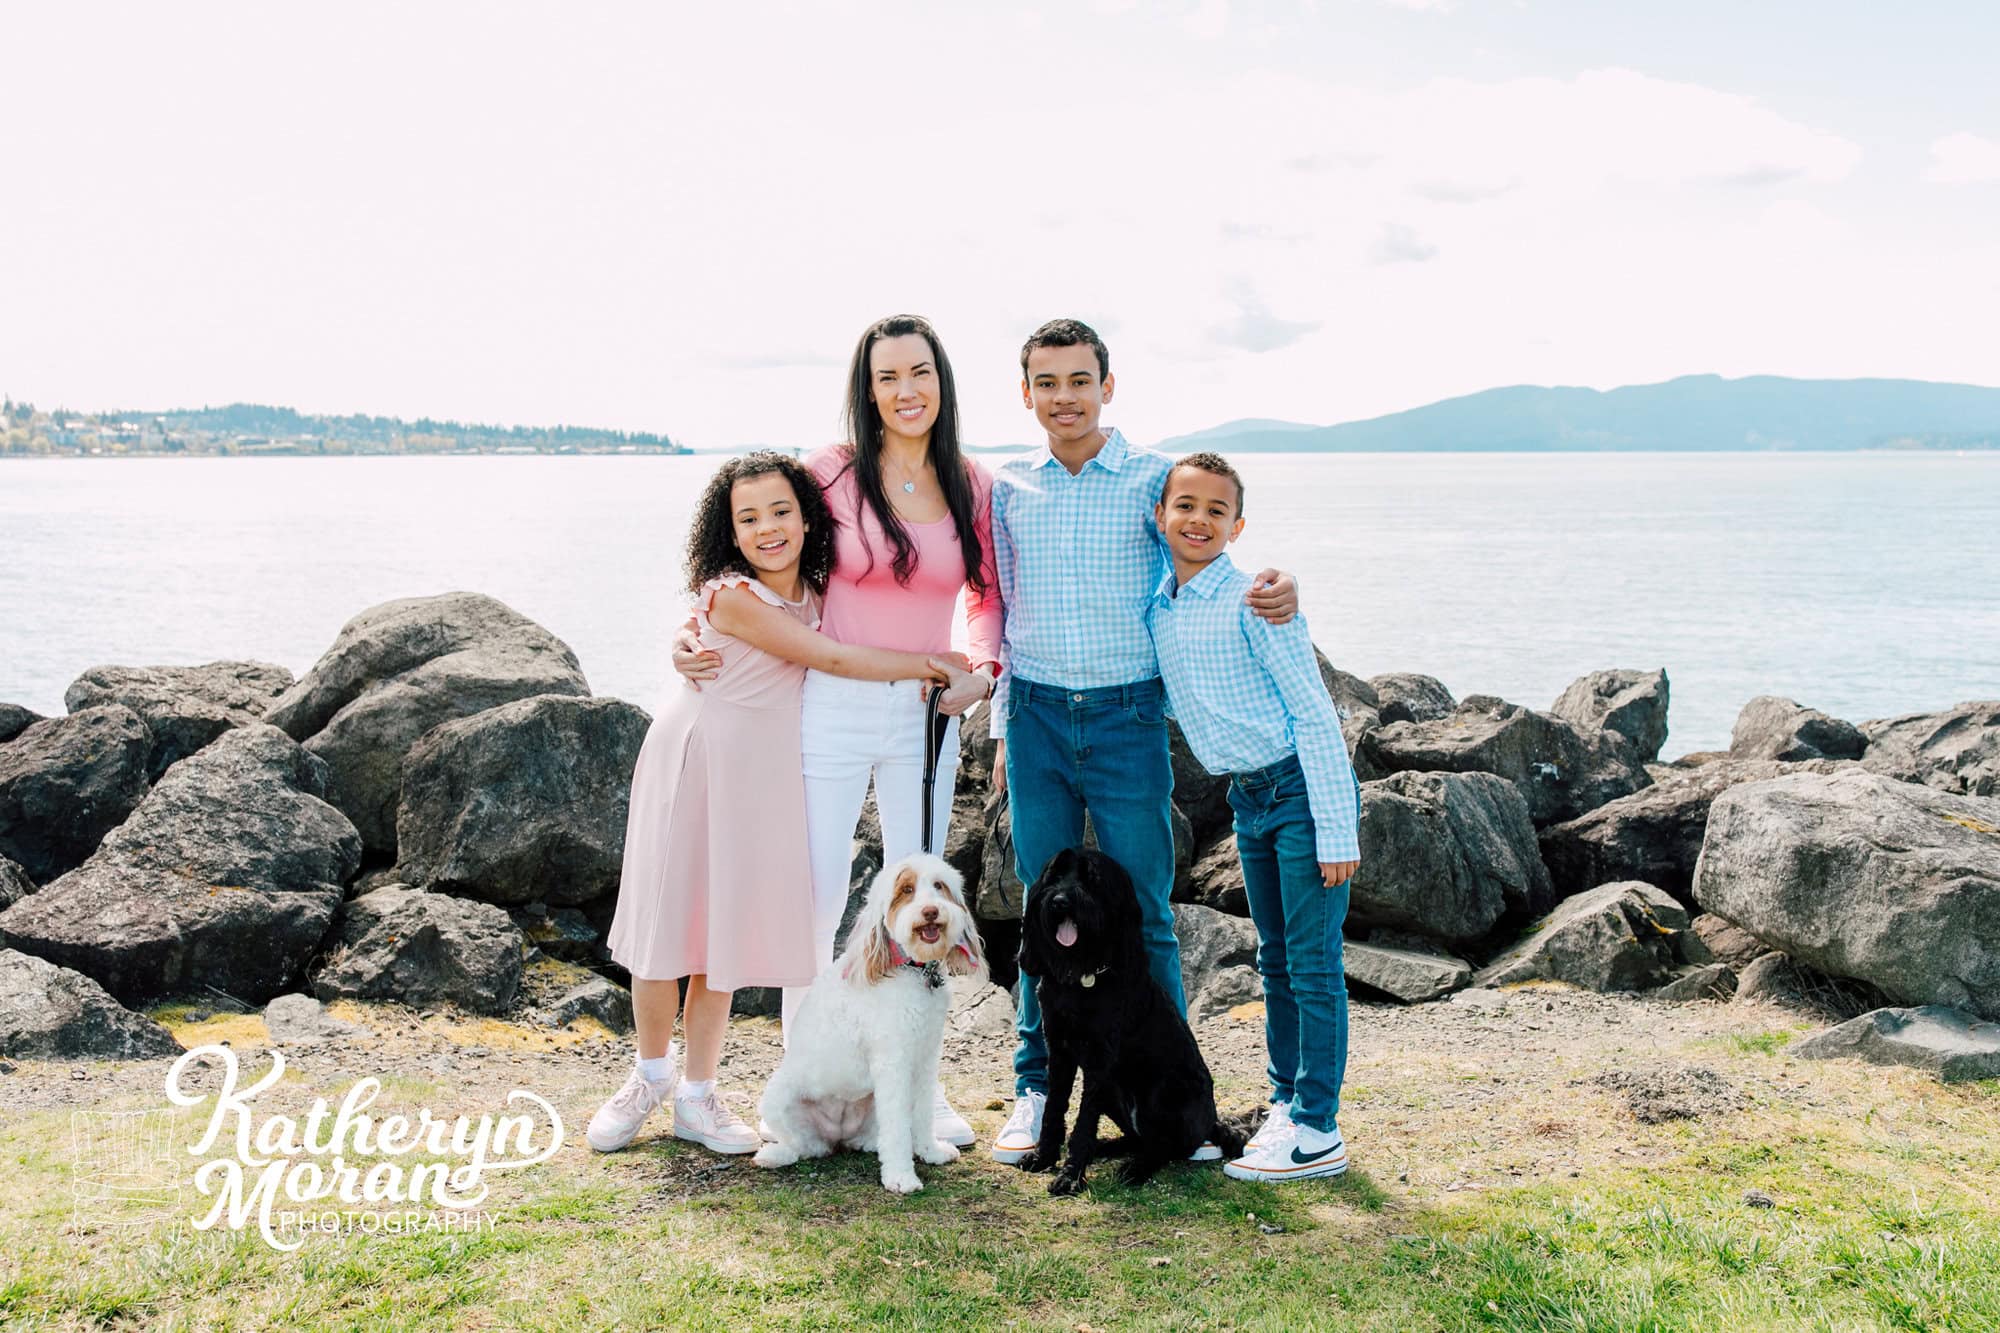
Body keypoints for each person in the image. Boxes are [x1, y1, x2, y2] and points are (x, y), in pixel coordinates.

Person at [672, 315, 1001, 1148]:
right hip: (829, 704)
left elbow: (988, 600)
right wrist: (691, 628)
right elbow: (753, 547)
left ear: (942, 379)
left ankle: (919, 1092)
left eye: (918, 372)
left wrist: (982, 673)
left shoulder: (972, 483)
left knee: (923, 900)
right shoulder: (831, 471)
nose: (905, 391)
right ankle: (807, 1079)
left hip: (926, 713)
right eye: (887, 377)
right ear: (867, 388)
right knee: (812, 900)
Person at [588, 451, 971, 1157]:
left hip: (755, 778)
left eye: (780, 511)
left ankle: (697, 1097)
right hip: (695, 760)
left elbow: (855, 630)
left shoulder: (817, 592)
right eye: (748, 517)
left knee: (716, 935)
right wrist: (926, 666)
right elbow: (831, 658)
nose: (767, 528)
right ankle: (647, 1076)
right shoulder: (731, 594)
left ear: (807, 517)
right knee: (663, 930)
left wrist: (950, 653)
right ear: (728, 530)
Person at [988, 318, 1301, 1165]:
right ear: (1026, 394)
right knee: (1036, 906)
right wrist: (997, 720)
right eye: (1046, 382)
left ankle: (1171, 1093)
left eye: (1079, 379)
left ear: (1107, 385)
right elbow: (993, 599)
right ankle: (1034, 1085)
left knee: (1147, 912)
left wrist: (1277, 585)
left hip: (1128, 715)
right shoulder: (1006, 487)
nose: (1064, 397)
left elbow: (1210, 548)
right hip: (1037, 714)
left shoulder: (1153, 479)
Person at [1146, 451, 1361, 1182]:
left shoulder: (1257, 602)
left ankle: (1317, 1126)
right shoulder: (1160, 605)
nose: (1198, 519)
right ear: (1160, 518)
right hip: (1250, 799)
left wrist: (1336, 827)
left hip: (1301, 794)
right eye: (1185, 505)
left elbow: (1313, 711)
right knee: (1274, 961)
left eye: (1215, 510)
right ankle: (1284, 1101)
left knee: (1312, 963)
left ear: (1237, 525)